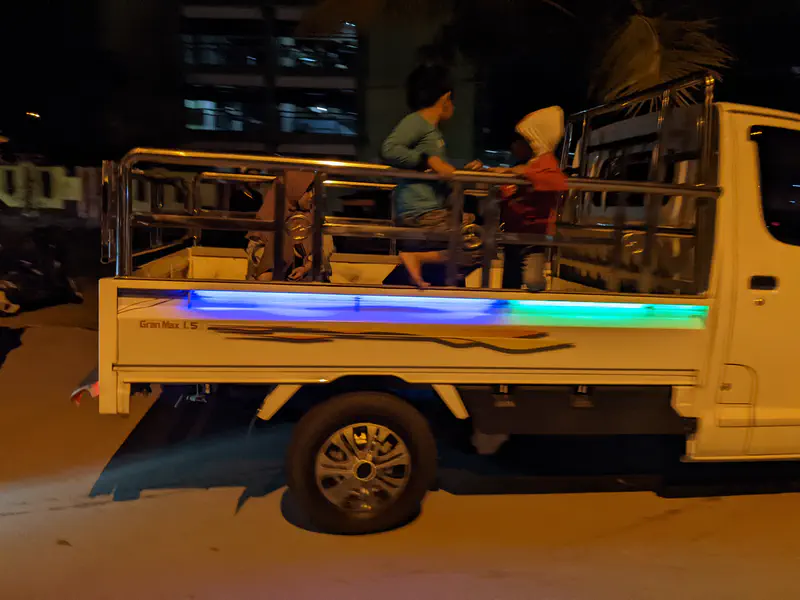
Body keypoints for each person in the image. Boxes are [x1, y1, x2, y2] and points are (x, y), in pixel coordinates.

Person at [380, 64, 480, 288]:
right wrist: (428, 160)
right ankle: (415, 259)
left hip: (430, 211)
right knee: (479, 244)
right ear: (445, 97)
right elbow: (389, 149)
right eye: (453, 100)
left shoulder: (431, 131)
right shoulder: (417, 122)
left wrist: (462, 169)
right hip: (421, 213)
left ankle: (404, 277)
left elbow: (436, 169)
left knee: (467, 234)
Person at [494, 107, 568, 291]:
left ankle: (533, 302)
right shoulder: (526, 165)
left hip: (533, 236)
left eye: (520, 141)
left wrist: (525, 174)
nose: (513, 146)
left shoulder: (546, 164)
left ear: (535, 142)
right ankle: (511, 310)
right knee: (511, 280)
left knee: (533, 280)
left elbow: (557, 182)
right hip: (514, 233)